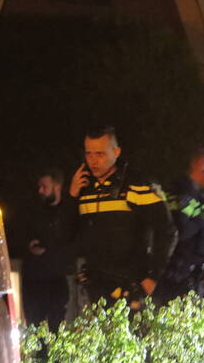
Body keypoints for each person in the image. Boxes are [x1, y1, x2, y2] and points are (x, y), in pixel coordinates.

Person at [69, 125, 175, 311]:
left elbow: (166, 231)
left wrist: (153, 277)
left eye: (100, 154)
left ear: (116, 152)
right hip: (96, 287)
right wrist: (71, 196)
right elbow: (65, 235)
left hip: (132, 286)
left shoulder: (138, 185)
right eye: (89, 154)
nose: (93, 161)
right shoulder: (83, 188)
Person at [156, 148, 204, 306]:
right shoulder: (183, 195)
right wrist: (203, 216)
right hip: (179, 280)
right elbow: (180, 232)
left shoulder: (197, 196)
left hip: (192, 277)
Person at [20, 168, 74, 330]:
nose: (40, 191)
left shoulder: (66, 212)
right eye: (39, 186)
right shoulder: (33, 211)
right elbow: (21, 235)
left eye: (44, 186)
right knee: (35, 326)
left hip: (55, 279)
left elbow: (68, 239)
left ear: (57, 186)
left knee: (57, 325)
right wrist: (29, 245)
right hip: (34, 280)